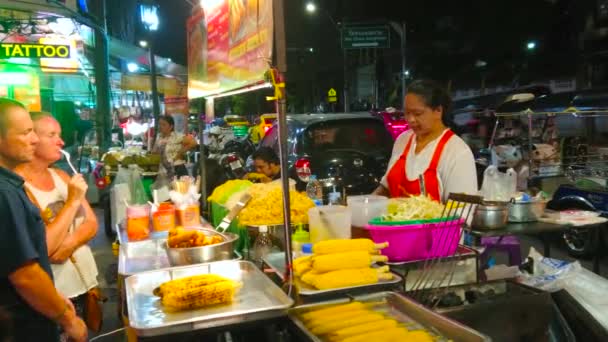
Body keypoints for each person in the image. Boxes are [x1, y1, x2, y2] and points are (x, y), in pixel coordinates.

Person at [0, 98, 87, 342]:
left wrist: (55, 300)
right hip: (20, 326)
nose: (35, 139)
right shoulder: (5, 193)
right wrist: (67, 318)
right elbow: (24, 273)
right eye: (27, 132)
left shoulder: (11, 185)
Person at [15, 113, 98, 341]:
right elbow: (42, 246)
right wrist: (72, 202)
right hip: (53, 297)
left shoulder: (61, 175)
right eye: (52, 135)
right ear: (31, 139)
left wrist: (67, 246)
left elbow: (91, 223)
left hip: (81, 283)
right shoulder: (16, 189)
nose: (61, 142)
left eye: (59, 135)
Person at [373, 80, 477, 202]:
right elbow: (386, 188)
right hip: (392, 220)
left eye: (417, 113)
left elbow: (460, 212)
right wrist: (365, 204)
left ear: (438, 111)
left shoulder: (457, 152)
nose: (410, 120)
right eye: (406, 113)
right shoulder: (402, 140)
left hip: (433, 222)